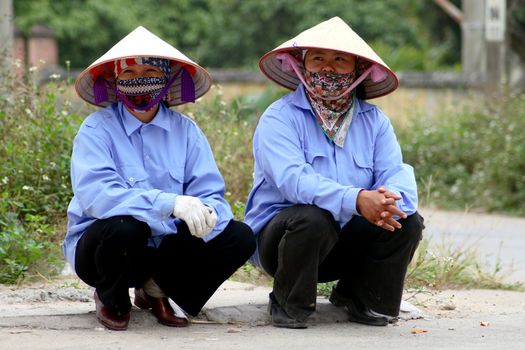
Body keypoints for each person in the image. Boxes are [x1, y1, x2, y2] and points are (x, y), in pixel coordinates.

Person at [64, 26, 255, 331]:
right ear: (115, 79)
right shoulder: (96, 129)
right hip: (108, 248)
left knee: (240, 236)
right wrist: (169, 203)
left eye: (150, 70)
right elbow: (96, 196)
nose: (139, 78)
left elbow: (211, 194)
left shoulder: (187, 131)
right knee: (127, 226)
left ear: (167, 77)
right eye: (129, 73)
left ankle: (157, 290)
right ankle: (110, 297)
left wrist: (205, 213)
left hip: (166, 250)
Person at [244, 17, 425, 329]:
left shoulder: (375, 122)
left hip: (344, 242)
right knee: (312, 217)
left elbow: (396, 172)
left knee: (406, 221)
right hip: (287, 242)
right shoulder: (280, 118)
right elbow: (292, 180)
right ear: (302, 65)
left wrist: (389, 201)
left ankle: (361, 297)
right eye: (317, 59)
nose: (327, 68)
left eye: (339, 60)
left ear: (357, 69)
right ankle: (289, 304)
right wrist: (355, 199)